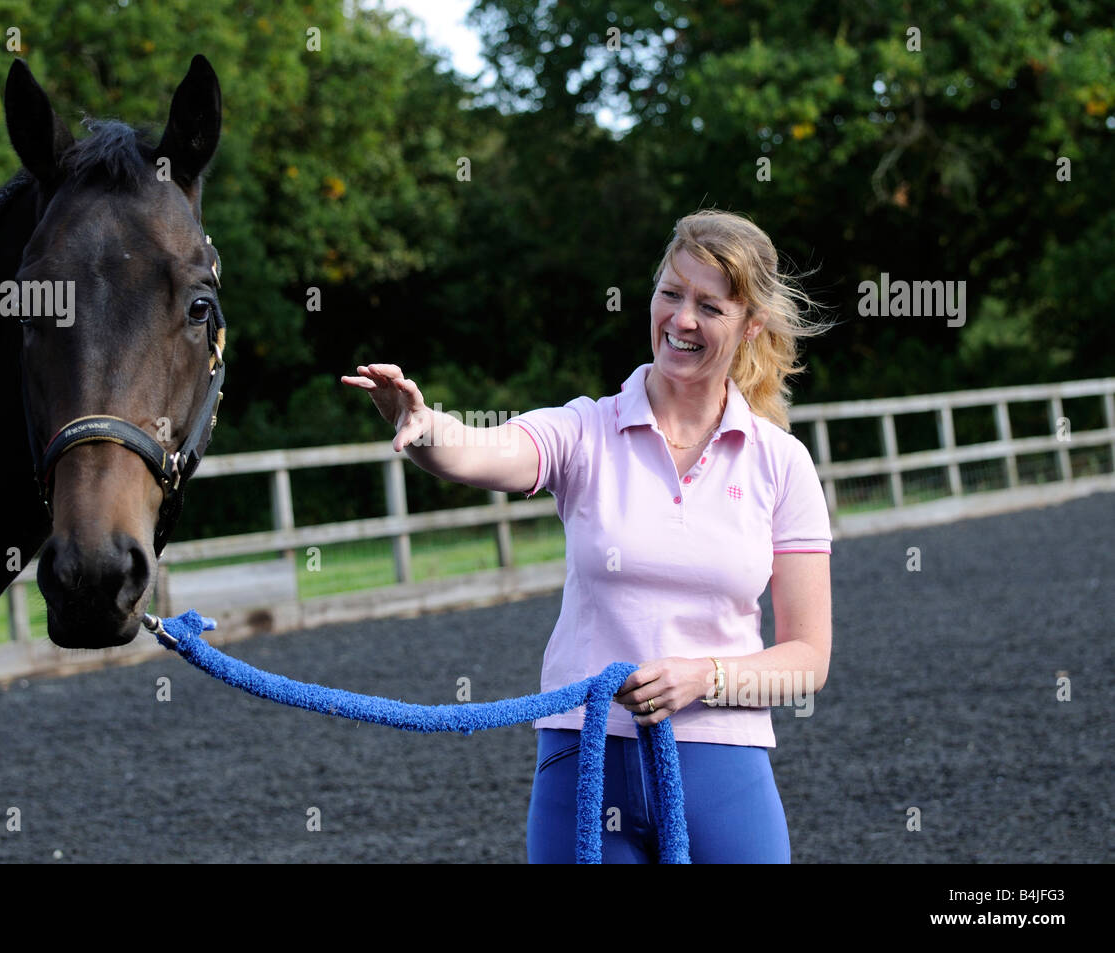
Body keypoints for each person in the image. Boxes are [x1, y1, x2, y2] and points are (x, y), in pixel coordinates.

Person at [341, 209, 834, 863]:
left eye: (709, 306)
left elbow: (806, 661)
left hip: (725, 765)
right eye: (670, 293)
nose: (681, 319)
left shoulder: (781, 463)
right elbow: (484, 451)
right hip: (585, 757)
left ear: (751, 326)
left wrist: (701, 677)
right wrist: (426, 426)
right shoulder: (586, 431)